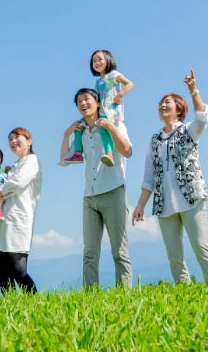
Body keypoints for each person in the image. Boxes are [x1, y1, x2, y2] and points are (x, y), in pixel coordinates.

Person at [132, 70, 208, 283]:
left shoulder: (189, 130)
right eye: (161, 103)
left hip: (191, 198)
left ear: (179, 110)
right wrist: (140, 206)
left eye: (168, 102)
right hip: (165, 205)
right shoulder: (154, 140)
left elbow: (202, 116)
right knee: (174, 257)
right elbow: (149, 176)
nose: (163, 105)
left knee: (201, 247)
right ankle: (185, 295)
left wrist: (193, 90)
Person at [60, 88, 133, 288]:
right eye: (79, 101)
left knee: (119, 250)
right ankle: (91, 297)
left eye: (87, 99)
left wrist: (112, 128)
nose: (83, 103)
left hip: (113, 190)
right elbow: (64, 159)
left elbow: (127, 151)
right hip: (90, 196)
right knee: (90, 252)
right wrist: (67, 134)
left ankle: (125, 295)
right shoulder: (82, 133)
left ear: (98, 102)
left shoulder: (115, 123)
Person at [0, 127, 42, 294]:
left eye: (17, 137)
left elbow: (17, 183)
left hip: (17, 219)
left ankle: (36, 303)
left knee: (18, 271)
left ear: (29, 141)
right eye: (10, 138)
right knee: (4, 273)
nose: (13, 141)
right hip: (0, 219)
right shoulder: (13, 166)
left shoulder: (31, 160)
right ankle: (10, 309)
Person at [63, 50, 133, 166]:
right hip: (102, 110)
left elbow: (129, 84)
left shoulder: (114, 74)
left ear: (108, 60)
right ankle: (78, 154)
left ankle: (109, 154)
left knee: (103, 130)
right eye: (94, 61)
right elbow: (99, 97)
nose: (97, 62)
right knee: (79, 126)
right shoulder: (98, 82)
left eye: (100, 59)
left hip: (111, 111)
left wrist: (120, 95)